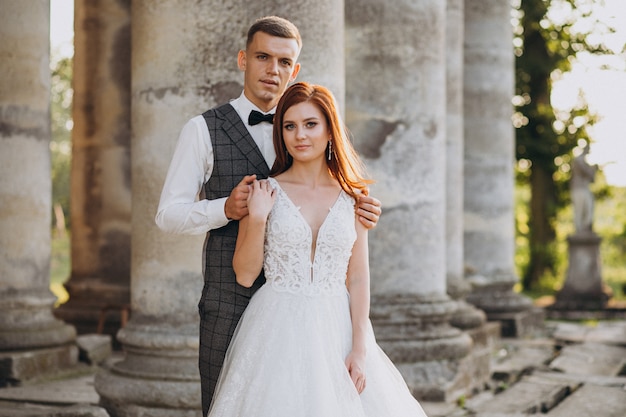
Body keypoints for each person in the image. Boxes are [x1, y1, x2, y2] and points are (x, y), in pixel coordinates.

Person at [155, 16, 382, 416]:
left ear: (294, 70)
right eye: (263, 57)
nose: (272, 70)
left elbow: (348, 244)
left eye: (283, 62)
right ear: (244, 59)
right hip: (231, 297)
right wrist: (226, 208)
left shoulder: (305, 123)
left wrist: (356, 214)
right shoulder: (202, 129)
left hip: (319, 316)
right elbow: (168, 215)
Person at [207, 82, 427, 417]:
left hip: (336, 326)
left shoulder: (354, 199)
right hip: (275, 327)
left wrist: (359, 349)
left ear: (329, 130)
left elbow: (358, 278)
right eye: (290, 126)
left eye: (310, 124)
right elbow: (246, 274)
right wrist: (258, 217)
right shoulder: (266, 191)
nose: (300, 136)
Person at [570, 143, 597, 234]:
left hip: (585, 188)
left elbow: (592, 178)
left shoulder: (584, 162)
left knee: (588, 208)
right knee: (579, 210)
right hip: (578, 189)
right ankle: (579, 230)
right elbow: (587, 172)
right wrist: (592, 170)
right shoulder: (579, 160)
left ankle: (586, 228)